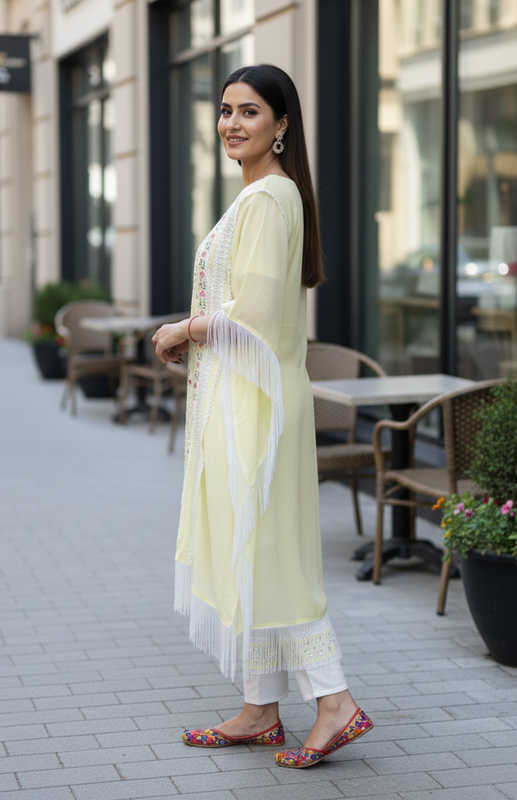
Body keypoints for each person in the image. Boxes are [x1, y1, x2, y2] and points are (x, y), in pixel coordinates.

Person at [152, 63, 372, 769]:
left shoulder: (267, 198)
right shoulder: (265, 196)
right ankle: (259, 707)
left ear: (281, 125)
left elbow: (255, 313)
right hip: (246, 401)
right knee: (252, 551)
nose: (232, 123)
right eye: (224, 110)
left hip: (258, 409)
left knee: (270, 555)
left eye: (250, 112)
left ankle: (333, 702)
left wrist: (180, 330)